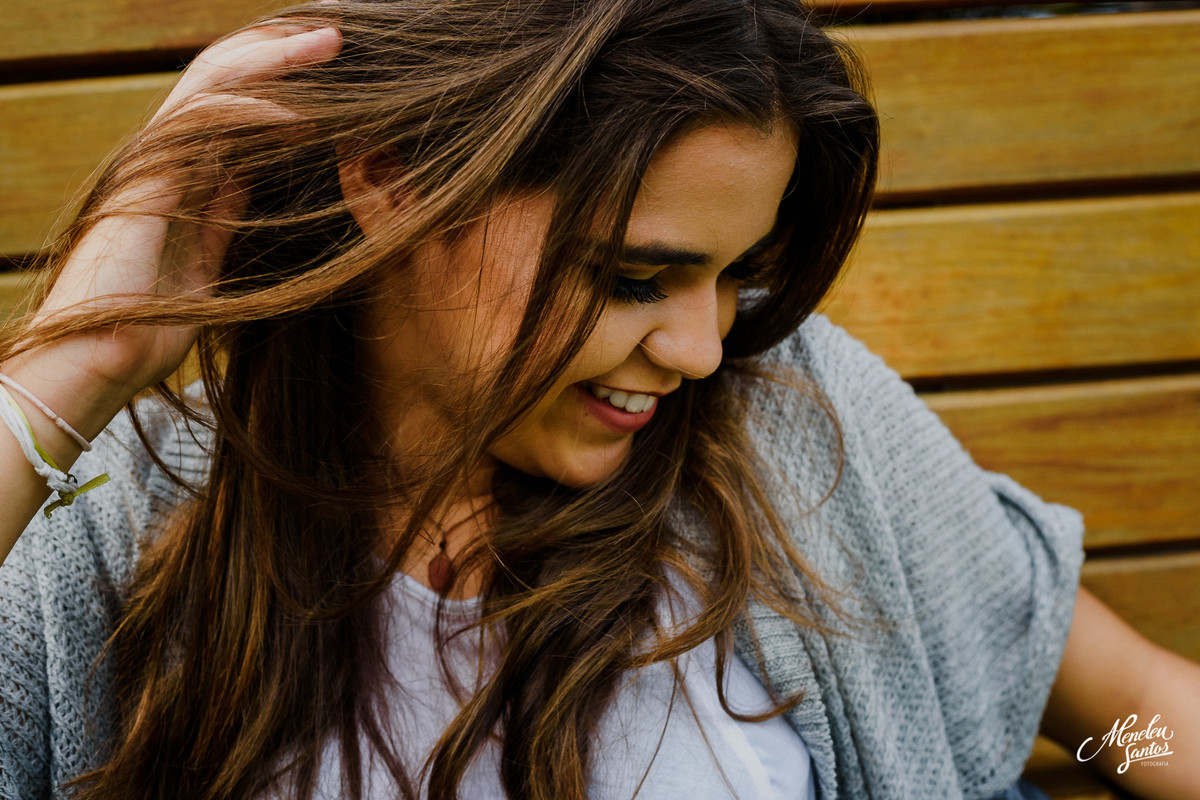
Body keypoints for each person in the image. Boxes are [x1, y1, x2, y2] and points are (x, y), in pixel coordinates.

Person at [0, 1, 1197, 798]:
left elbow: (1128, 710)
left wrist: (1105, 759)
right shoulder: (104, 516)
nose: (701, 349)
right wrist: (80, 362)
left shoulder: (789, 418)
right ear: (393, 180)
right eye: (632, 276)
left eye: (734, 274)